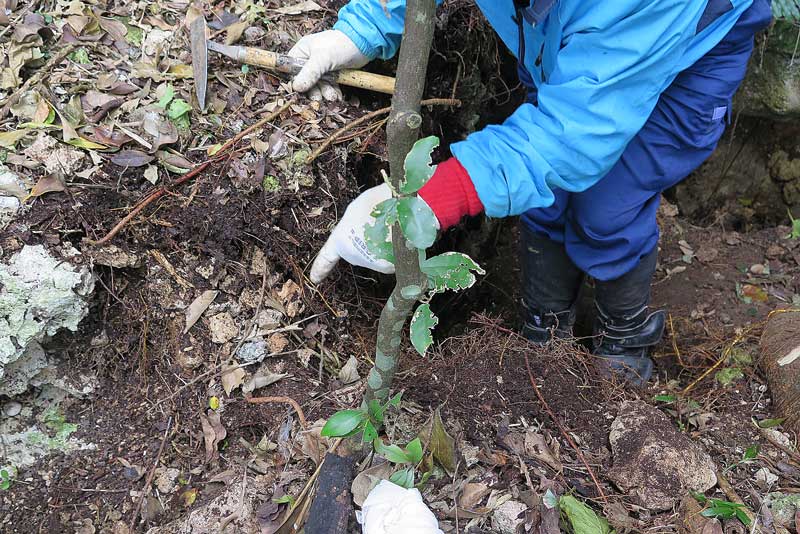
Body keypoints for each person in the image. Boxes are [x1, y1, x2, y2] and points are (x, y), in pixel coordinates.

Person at [292, 0, 773, 385]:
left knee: (608, 209)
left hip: (685, 52)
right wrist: (360, 30)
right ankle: (545, 325)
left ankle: (624, 339)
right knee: (544, 197)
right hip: (558, 33)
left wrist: (431, 200)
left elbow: (574, 135)